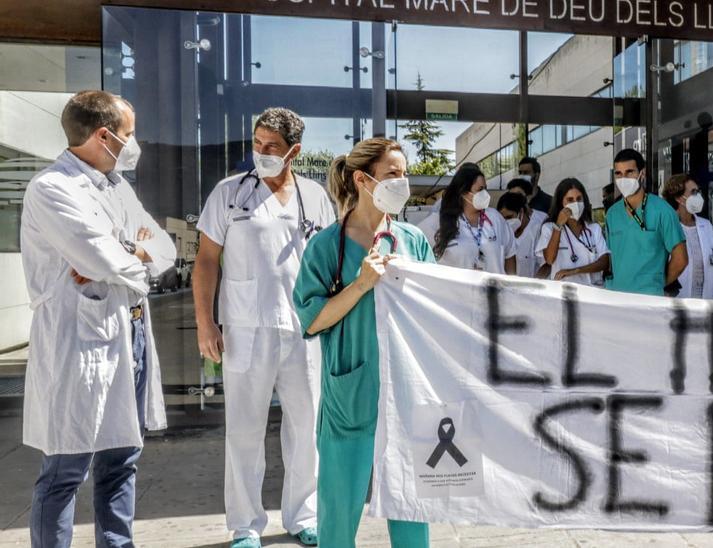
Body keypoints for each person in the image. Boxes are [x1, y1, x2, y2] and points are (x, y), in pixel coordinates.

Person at [20, 90, 174, 548]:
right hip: (80, 342)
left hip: (131, 334)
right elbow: (98, 257)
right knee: (66, 469)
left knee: (122, 459)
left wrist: (130, 251)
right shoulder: (53, 189)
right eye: (130, 134)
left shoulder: (116, 186)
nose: (134, 142)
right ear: (104, 136)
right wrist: (131, 251)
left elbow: (164, 250)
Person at [192, 108, 333, 547]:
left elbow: (330, 262)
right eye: (257, 143)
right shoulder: (229, 193)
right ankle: (245, 525)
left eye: (271, 146)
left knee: (306, 427)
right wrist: (204, 322)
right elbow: (206, 260)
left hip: (305, 330)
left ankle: (302, 516)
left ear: (295, 150)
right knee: (245, 429)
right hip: (244, 327)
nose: (261, 153)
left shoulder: (315, 196)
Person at [292, 138, 433, 548]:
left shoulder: (411, 240)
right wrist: (361, 285)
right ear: (362, 179)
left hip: (406, 393)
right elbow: (312, 320)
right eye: (393, 174)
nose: (403, 182)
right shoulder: (326, 246)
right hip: (350, 392)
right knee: (339, 512)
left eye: (404, 174)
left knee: (410, 510)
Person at [604, 148, 688, 296]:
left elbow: (681, 258)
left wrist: (657, 284)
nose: (624, 178)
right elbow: (610, 260)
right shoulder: (612, 214)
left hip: (650, 300)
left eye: (630, 172)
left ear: (642, 173)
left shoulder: (663, 211)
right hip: (616, 299)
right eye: (618, 173)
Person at [419, 166, 517, 275]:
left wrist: (510, 287)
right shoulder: (438, 222)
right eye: (480, 189)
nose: (485, 194)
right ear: (463, 192)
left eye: (485, 188)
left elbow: (510, 254)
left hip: (494, 291)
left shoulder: (495, 218)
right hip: (458, 291)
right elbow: (416, 248)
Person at [663, 174, 713, 299]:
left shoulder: (706, 226)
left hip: (706, 302)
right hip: (678, 302)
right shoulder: (668, 227)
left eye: (698, 191)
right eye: (693, 192)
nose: (698, 196)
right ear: (679, 198)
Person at [537, 178, 611, 286]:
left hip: (593, 290)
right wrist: (558, 226)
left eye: (579, 199)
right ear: (561, 202)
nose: (575, 203)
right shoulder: (548, 228)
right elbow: (549, 259)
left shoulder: (593, 228)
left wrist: (575, 271)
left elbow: (604, 262)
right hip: (563, 292)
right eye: (570, 200)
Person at [497, 192, 546, 278]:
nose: (506, 222)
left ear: (521, 212)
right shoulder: (501, 233)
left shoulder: (538, 229)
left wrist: (534, 285)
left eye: (509, 217)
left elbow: (545, 266)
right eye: (502, 218)